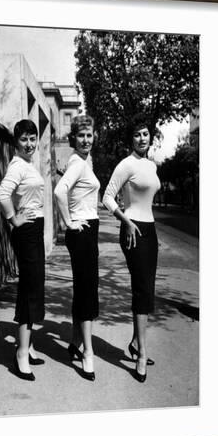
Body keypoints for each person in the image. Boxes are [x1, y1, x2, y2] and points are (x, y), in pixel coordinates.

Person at [102, 116, 160, 383]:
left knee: (147, 288)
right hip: (132, 229)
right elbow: (107, 196)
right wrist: (125, 220)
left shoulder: (151, 165)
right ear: (131, 139)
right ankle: (141, 354)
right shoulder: (126, 164)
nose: (142, 139)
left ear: (151, 136)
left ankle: (136, 343)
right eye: (137, 135)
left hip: (150, 230)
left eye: (146, 134)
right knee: (141, 288)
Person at [0, 119, 45, 381]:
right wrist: (14, 219)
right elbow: (2, 195)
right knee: (29, 290)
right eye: (24, 139)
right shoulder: (17, 165)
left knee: (34, 288)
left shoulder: (28, 164)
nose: (29, 143)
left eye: (32, 138)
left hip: (34, 229)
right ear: (16, 141)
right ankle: (21, 354)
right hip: (26, 232)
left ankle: (28, 344)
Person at [54, 114, 100, 381]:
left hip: (87, 230)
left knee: (85, 288)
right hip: (81, 231)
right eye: (81, 135)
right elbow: (60, 191)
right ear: (74, 138)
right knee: (86, 292)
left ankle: (74, 342)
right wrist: (69, 223)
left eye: (89, 135)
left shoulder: (84, 161)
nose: (86, 140)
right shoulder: (77, 163)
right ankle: (88, 353)